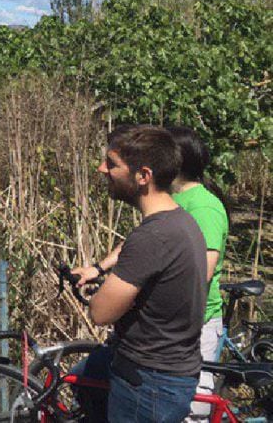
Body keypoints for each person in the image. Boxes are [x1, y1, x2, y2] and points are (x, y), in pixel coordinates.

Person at [74, 125, 207, 423]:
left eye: (112, 164)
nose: (102, 169)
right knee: (80, 377)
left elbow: (100, 312)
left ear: (143, 176)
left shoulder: (153, 236)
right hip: (166, 375)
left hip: (147, 385)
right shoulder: (182, 222)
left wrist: (104, 288)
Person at [166, 126, 229, 422]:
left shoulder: (204, 207)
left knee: (195, 409)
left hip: (197, 323)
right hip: (173, 325)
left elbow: (200, 272)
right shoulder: (170, 201)